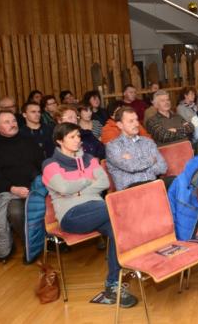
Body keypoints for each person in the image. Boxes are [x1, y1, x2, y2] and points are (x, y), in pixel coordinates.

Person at [42, 123, 137, 308]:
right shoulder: (50, 164)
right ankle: (132, 263)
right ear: (59, 141)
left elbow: (102, 182)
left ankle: (113, 284)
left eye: (78, 136)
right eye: (72, 137)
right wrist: (86, 181)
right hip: (72, 216)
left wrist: (77, 189)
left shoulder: (89, 158)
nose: (77, 140)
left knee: (117, 228)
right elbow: (62, 187)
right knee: (119, 210)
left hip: (98, 210)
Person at [0, 110, 45, 247]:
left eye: (14, 121)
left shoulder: (29, 141)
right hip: (9, 192)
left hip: (35, 187)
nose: (12, 124)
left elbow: (42, 164)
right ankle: (31, 244)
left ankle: (49, 238)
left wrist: (40, 183)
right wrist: (14, 189)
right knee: (16, 212)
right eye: (7, 122)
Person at [105, 106, 169, 190]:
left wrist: (136, 163)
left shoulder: (147, 142)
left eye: (136, 120)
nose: (137, 124)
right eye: (131, 121)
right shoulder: (113, 146)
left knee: (175, 181)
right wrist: (151, 160)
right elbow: (131, 167)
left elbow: (163, 167)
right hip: (131, 190)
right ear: (120, 125)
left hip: (152, 184)